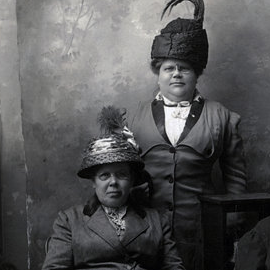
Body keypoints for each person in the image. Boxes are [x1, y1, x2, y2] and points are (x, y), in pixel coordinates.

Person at [129, 0, 247, 269]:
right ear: (158, 74)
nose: (177, 74)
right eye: (169, 68)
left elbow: (236, 177)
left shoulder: (222, 117)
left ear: (197, 73)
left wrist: (232, 220)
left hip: (200, 228)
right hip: (145, 225)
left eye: (185, 68)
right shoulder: (132, 118)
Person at [42, 106, 185, 270]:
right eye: (104, 176)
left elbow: (174, 266)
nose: (113, 182)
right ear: (93, 181)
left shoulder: (157, 220)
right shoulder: (70, 220)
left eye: (122, 175)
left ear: (132, 180)